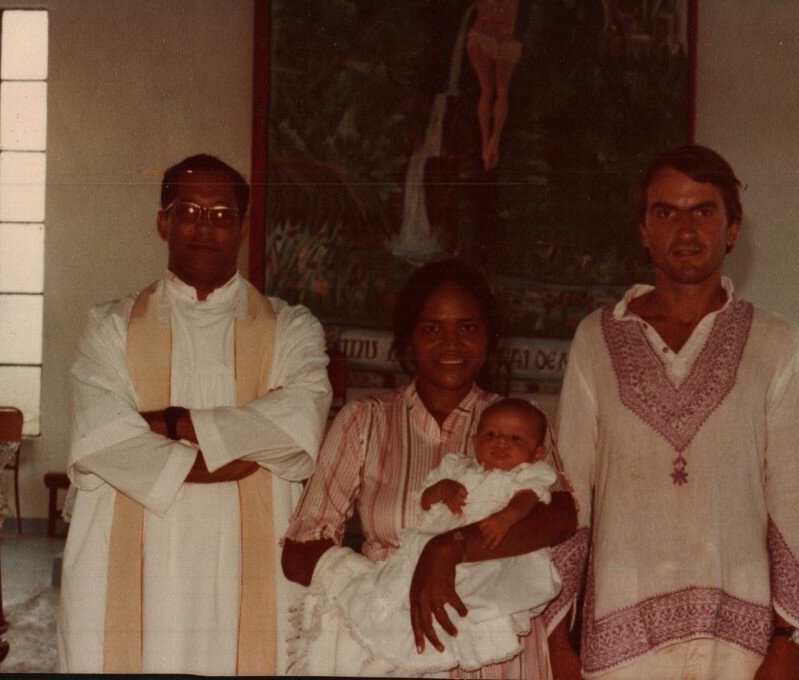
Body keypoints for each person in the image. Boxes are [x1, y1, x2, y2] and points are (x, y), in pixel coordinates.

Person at [56, 154, 331, 675]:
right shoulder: (110, 326)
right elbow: (102, 438)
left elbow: (297, 430)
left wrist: (171, 422)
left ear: (245, 228)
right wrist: (233, 450)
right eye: (189, 211)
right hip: (130, 559)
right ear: (163, 222)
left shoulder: (292, 329)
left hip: (252, 565)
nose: (206, 228)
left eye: (223, 215)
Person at [557, 145, 799, 679]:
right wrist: (557, 638)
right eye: (667, 212)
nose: (685, 229)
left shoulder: (777, 343)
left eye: (703, 211)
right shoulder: (595, 338)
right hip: (619, 637)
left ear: (732, 228)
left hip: (738, 644)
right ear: (643, 229)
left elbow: (795, 498)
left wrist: (786, 641)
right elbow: (569, 493)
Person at [281, 259, 584, 679]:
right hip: (394, 646)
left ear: (488, 337)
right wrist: (381, 589)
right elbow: (298, 551)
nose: (451, 345)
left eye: (468, 328)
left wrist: (449, 547)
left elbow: (560, 515)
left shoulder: (518, 426)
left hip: (497, 654)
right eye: (431, 329)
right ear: (408, 338)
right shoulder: (364, 422)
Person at [290, 398, 562, 676]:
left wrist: (506, 518)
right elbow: (425, 498)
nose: (502, 442)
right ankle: (386, 657)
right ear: (475, 440)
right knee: (390, 614)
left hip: (491, 557)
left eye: (515, 438)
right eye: (492, 435)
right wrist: (442, 489)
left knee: (477, 610)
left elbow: (537, 503)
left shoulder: (528, 474)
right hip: (419, 566)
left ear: (538, 452)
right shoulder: (458, 468)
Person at [468, 0, 523, 170]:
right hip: (485, 37)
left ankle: (492, 142)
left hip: (502, 40)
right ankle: (488, 142)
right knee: (492, 90)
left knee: (495, 91)